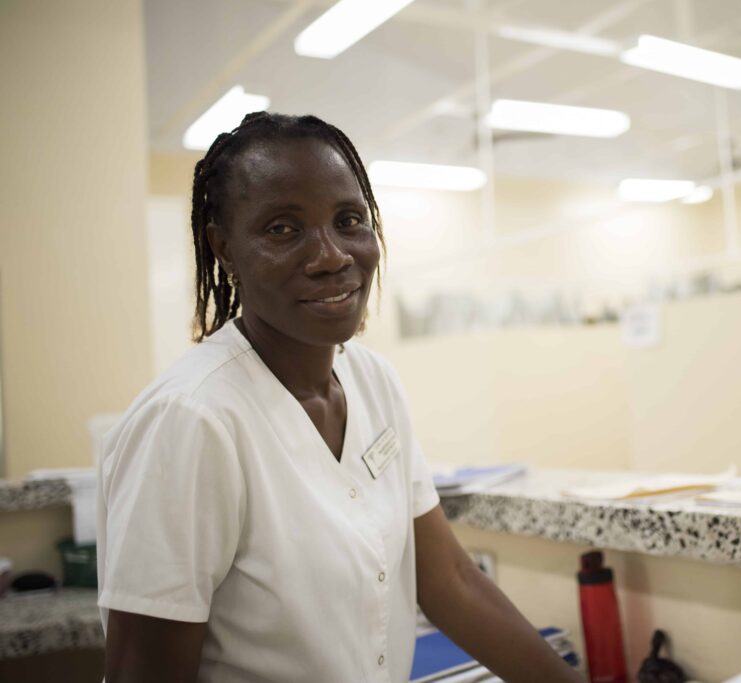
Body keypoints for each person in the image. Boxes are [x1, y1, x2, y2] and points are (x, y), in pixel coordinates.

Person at [97, 112, 582, 683]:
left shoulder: (375, 382)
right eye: (283, 228)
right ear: (224, 248)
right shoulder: (190, 420)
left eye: (349, 220)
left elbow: (447, 579)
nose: (330, 255)